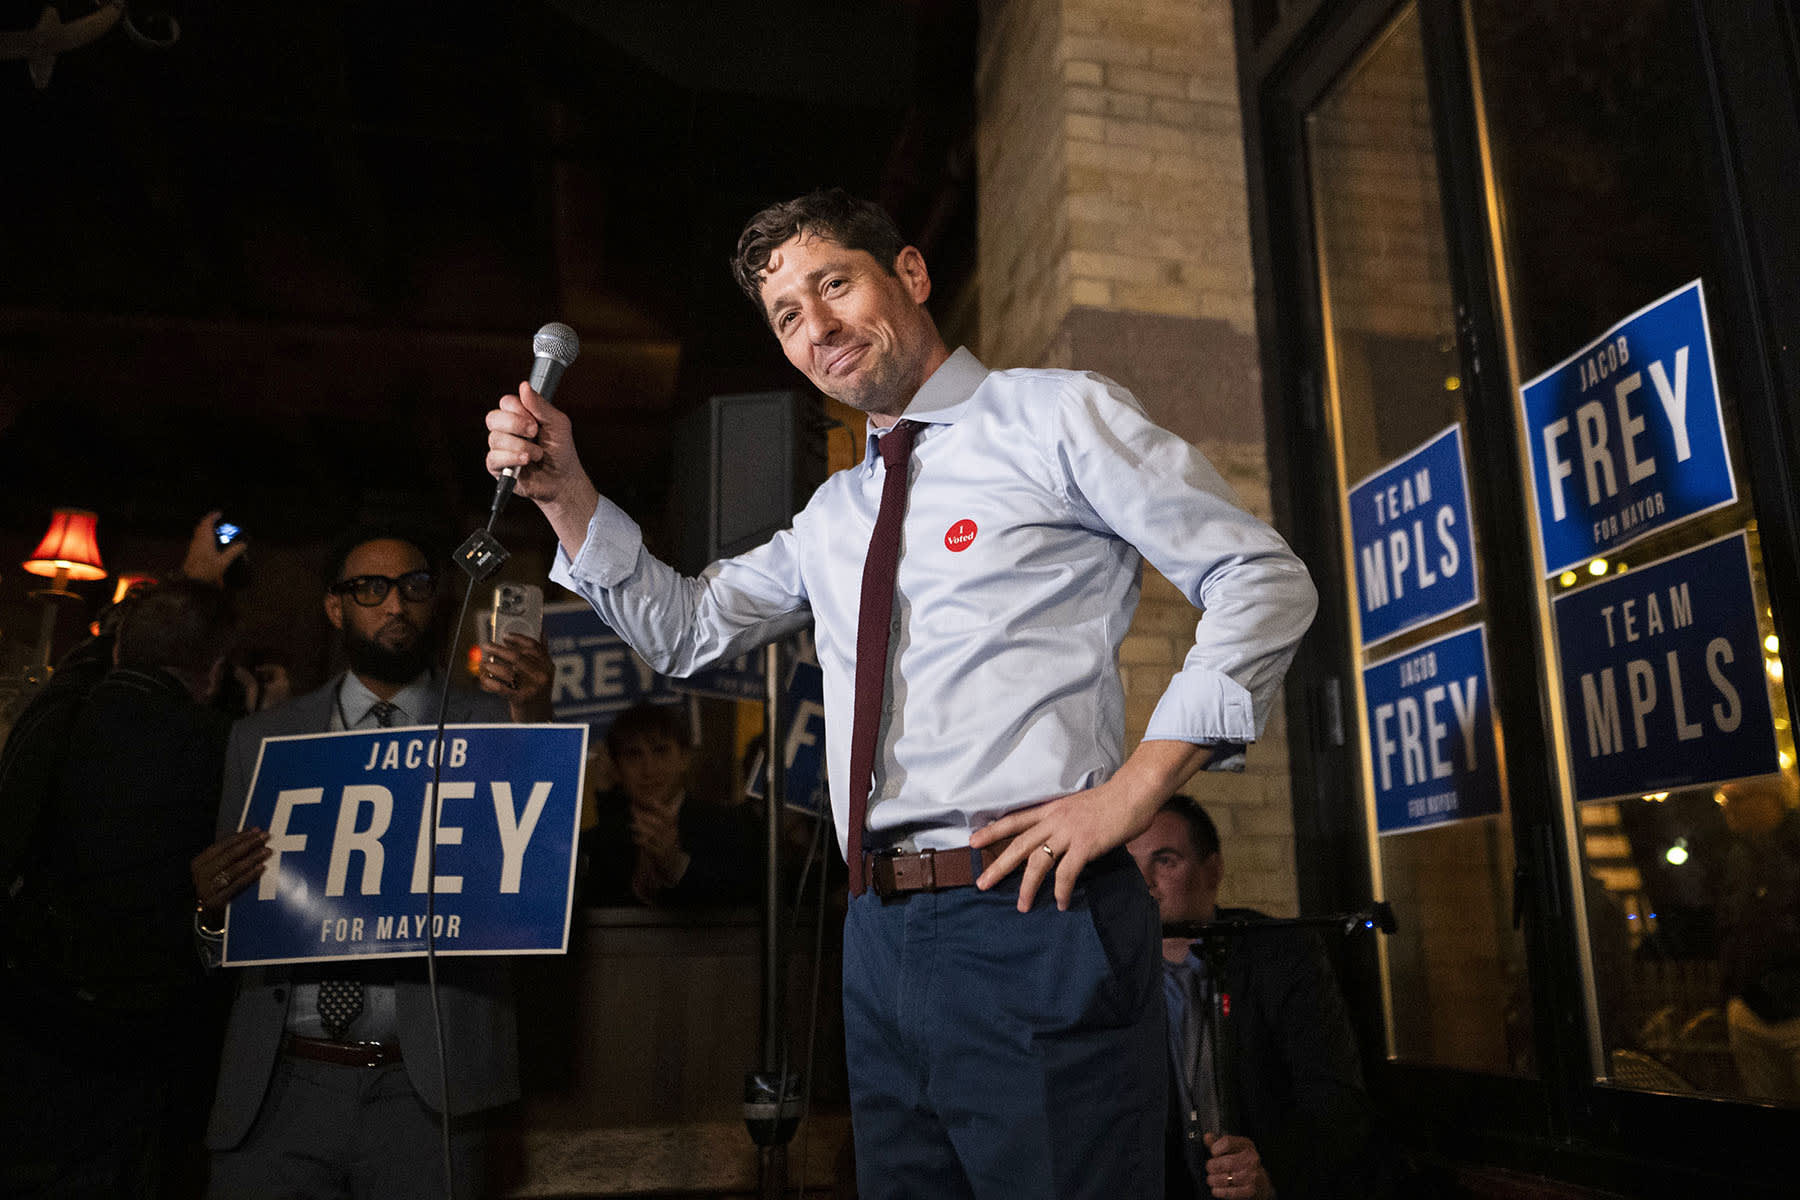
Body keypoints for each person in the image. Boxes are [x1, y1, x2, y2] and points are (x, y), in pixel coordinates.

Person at [484, 188, 1316, 1197]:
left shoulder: (1055, 414)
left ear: (910, 275)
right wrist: (566, 492)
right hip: (877, 931)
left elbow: (1261, 580)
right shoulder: (837, 509)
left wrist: (1136, 790)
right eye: (787, 315)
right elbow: (690, 629)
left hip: (1031, 910)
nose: (816, 325)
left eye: (834, 283)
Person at [190, 528, 553, 1200]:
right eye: (370, 589)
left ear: (435, 600)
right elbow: (224, 939)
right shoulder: (261, 739)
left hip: (426, 1093)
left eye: (414, 586)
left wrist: (530, 719)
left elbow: (539, 893)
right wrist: (211, 914)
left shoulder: (493, 722)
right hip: (279, 1087)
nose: (396, 606)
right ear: (336, 608)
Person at [0, 580, 239, 1198]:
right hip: (143, 1035)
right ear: (212, 672)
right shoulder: (221, 749)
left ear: (116, 650)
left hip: (33, 1006)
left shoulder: (62, 713)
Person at [1128, 796, 1373, 1200]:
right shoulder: (1111, 973)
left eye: (1165, 860)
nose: (1144, 880)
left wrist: (1273, 1175)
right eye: (1131, 864)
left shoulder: (1279, 953)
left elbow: (1336, 1098)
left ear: (1213, 871)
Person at [582, 702, 759, 907]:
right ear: (616, 767)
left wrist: (675, 865)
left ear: (684, 757)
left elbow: (741, 897)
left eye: (660, 751)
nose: (648, 769)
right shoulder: (599, 835)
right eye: (633, 754)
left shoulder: (729, 825)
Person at [1716, 772, 1800, 1102]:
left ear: (1771, 798)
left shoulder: (1792, 849)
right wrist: (1732, 1000)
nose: (1727, 809)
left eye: (1737, 799)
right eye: (1724, 800)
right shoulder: (1739, 856)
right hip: (1749, 1014)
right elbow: (1729, 929)